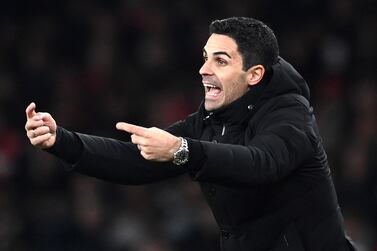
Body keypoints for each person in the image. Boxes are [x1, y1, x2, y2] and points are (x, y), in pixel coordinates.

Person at [25, 17, 356, 251]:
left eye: (220, 61)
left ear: (254, 74)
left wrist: (184, 150)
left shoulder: (290, 113)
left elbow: (261, 162)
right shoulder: (210, 120)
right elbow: (135, 160)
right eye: (204, 58)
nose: (203, 69)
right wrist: (62, 141)